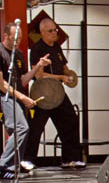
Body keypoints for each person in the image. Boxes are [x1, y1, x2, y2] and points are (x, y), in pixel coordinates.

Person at [24, 18, 85, 169]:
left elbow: (64, 67)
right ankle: (27, 160)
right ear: (42, 33)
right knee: (35, 128)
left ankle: (70, 159)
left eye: (55, 30)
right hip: (43, 93)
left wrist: (69, 75)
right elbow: (39, 75)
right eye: (50, 31)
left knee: (70, 121)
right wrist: (61, 77)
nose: (54, 33)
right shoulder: (37, 49)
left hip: (58, 93)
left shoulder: (57, 47)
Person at [0, 22, 48, 179]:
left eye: (20, 37)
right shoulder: (0, 52)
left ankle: (14, 165)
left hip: (15, 95)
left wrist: (38, 67)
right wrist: (23, 97)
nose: (18, 41)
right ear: (6, 36)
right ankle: (4, 165)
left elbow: (22, 80)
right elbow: (1, 84)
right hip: (4, 95)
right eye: (15, 37)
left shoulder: (19, 54)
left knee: (19, 130)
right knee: (21, 128)